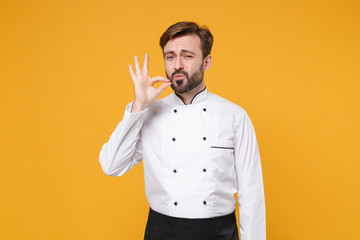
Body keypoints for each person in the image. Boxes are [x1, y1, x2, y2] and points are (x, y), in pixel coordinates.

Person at [99, 21, 266, 240]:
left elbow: (251, 194)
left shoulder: (235, 116)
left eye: (187, 56)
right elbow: (111, 166)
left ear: (206, 62)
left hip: (219, 233)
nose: (177, 64)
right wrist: (138, 106)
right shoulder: (148, 113)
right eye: (170, 57)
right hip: (162, 232)